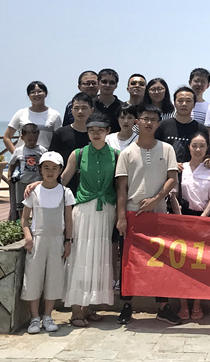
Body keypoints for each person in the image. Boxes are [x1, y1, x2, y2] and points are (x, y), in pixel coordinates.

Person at [114, 104, 181, 325]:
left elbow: (172, 179)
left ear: (159, 123)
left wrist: (156, 199)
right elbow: (121, 188)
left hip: (159, 214)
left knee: (160, 261)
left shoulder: (167, 149)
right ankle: (126, 305)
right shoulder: (126, 153)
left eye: (153, 119)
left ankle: (162, 306)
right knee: (129, 262)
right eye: (145, 119)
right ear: (137, 122)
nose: (149, 123)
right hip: (133, 214)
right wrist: (121, 217)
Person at [60, 114, 118, 327]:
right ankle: (76, 309)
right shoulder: (78, 153)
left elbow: (122, 185)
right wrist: (41, 186)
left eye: (100, 130)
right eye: (92, 130)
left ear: (108, 131)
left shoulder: (116, 155)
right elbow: (63, 179)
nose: (96, 133)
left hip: (107, 211)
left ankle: (89, 306)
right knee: (80, 257)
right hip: (83, 210)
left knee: (99, 259)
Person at [20, 151, 75, 334]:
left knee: (54, 277)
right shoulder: (33, 192)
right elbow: (24, 219)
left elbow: (68, 220)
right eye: (46, 168)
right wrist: (28, 237)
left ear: (60, 170)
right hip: (37, 240)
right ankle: (34, 318)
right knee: (33, 277)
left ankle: (48, 316)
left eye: (54, 168)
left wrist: (68, 240)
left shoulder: (65, 192)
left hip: (57, 240)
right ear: (40, 170)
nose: (50, 172)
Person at [170, 131, 210, 321]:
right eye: (194, 146)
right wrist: (180, 218)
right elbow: (173, 195)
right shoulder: (180, 168)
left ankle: (197, 304)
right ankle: (183, 305)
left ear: (207, 148)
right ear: (189, 147)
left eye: (202, 146)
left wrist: (203, 218)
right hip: (183, 218)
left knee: (201, 265)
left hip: (204, 220)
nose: (198, 149)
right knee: (182, 264)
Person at [49, 93, 93, 195]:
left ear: (92, 110)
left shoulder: (96, 134)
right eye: (76, 108)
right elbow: (52, 160)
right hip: (65, 185)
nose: (80, 111)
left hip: (90, 186)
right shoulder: (61, 133)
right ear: (71, 110)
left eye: (84, 108)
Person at [4, 81, 63, 153]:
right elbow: (7, 138)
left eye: (40, 91)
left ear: (46, 93)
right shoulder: (21, 113)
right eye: (32, 92)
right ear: (28, 96)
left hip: (45, 157)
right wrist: (16, 154)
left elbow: (60, 140)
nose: (36, 94)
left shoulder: (55, 115)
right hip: (24, 156)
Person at [155, 87, 206, 163]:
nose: (184, 104)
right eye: (180, 101)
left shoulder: (201, 129)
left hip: (191, 170)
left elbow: (206, 154)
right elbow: (155, 151)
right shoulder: (162, 125)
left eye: (188, 101)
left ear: (194, 104)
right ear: (175, 103)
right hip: (166, 169)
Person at [7, 124, 46, 221]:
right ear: (22, 137)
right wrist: (9, 176)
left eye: (34, 140)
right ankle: (23, 221)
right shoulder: (19, 151)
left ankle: (36, 221)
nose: (32, 142)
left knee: (36, 203)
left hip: (36, 182)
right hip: (21, 181)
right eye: (29, 140)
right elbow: (12, 164)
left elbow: (46, 163)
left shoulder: (42, 150)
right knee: (21, 204)